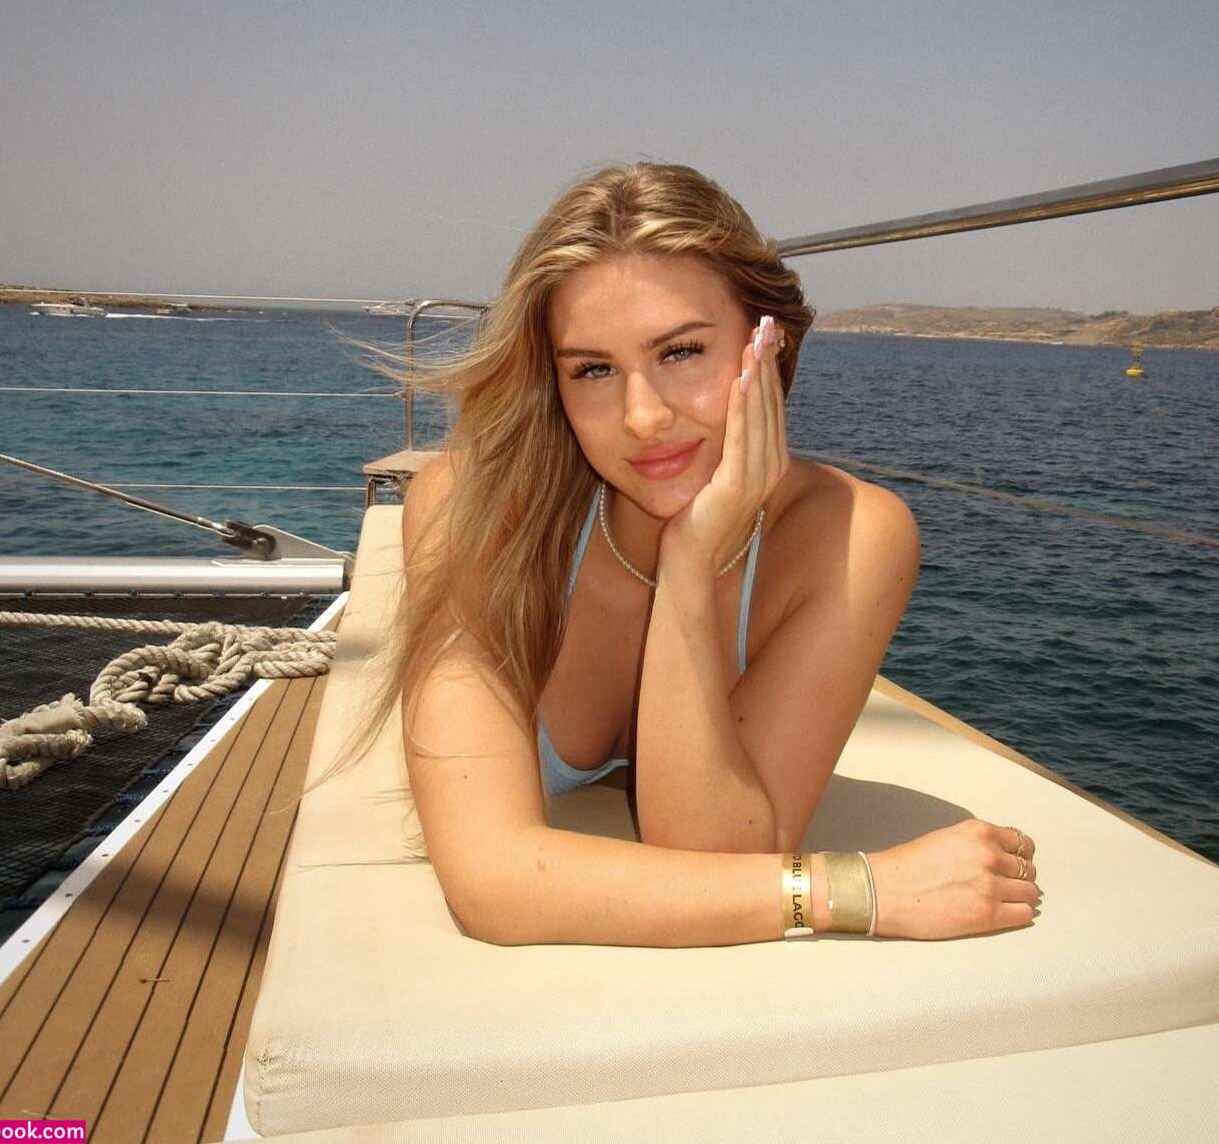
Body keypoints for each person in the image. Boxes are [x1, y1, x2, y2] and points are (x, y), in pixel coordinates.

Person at [318, 161, 1039, 946]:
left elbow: (713, 854)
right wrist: (854, 886)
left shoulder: (851, 535)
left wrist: (689, 564)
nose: (643, 417)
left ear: (767, 344)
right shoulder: (473, 509)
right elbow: (491, 879)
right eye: (594, 369)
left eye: (681, 352)